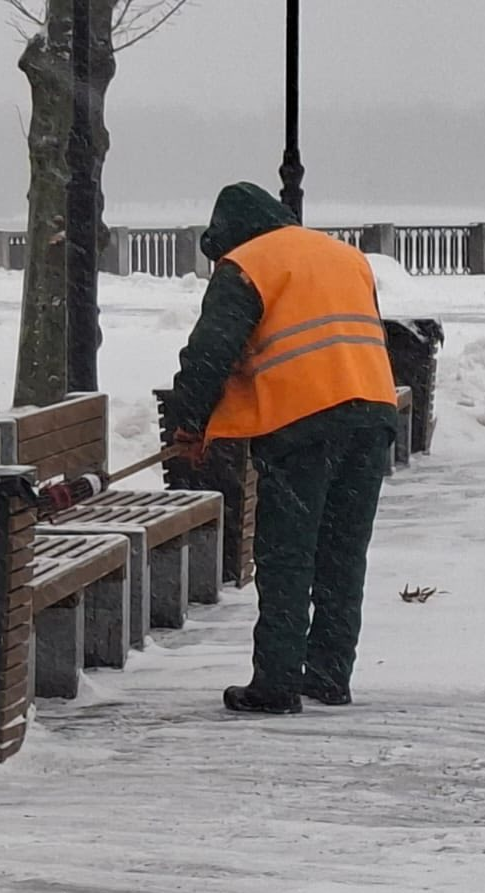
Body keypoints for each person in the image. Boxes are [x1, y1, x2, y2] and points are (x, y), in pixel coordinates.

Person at [163, 182, 399, 715]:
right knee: (341, 554)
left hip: (303, 423)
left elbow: (209, 354)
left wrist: (189, 423)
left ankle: (276, 683)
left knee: (286, 554)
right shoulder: (344, 256)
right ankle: (329, 675)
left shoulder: (247, 264)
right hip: (373, 413)